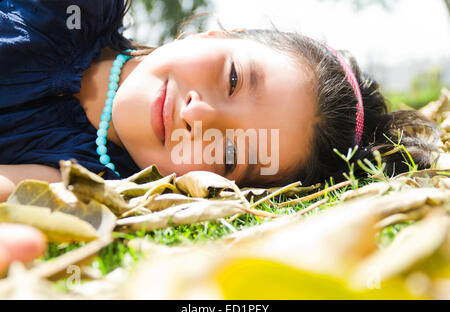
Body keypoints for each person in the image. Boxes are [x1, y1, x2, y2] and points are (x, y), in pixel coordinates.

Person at [0, 0, 440, 271]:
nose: (199, 115)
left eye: (229, 151)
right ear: (216, 34)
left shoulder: (81, 181)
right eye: (232, 78)